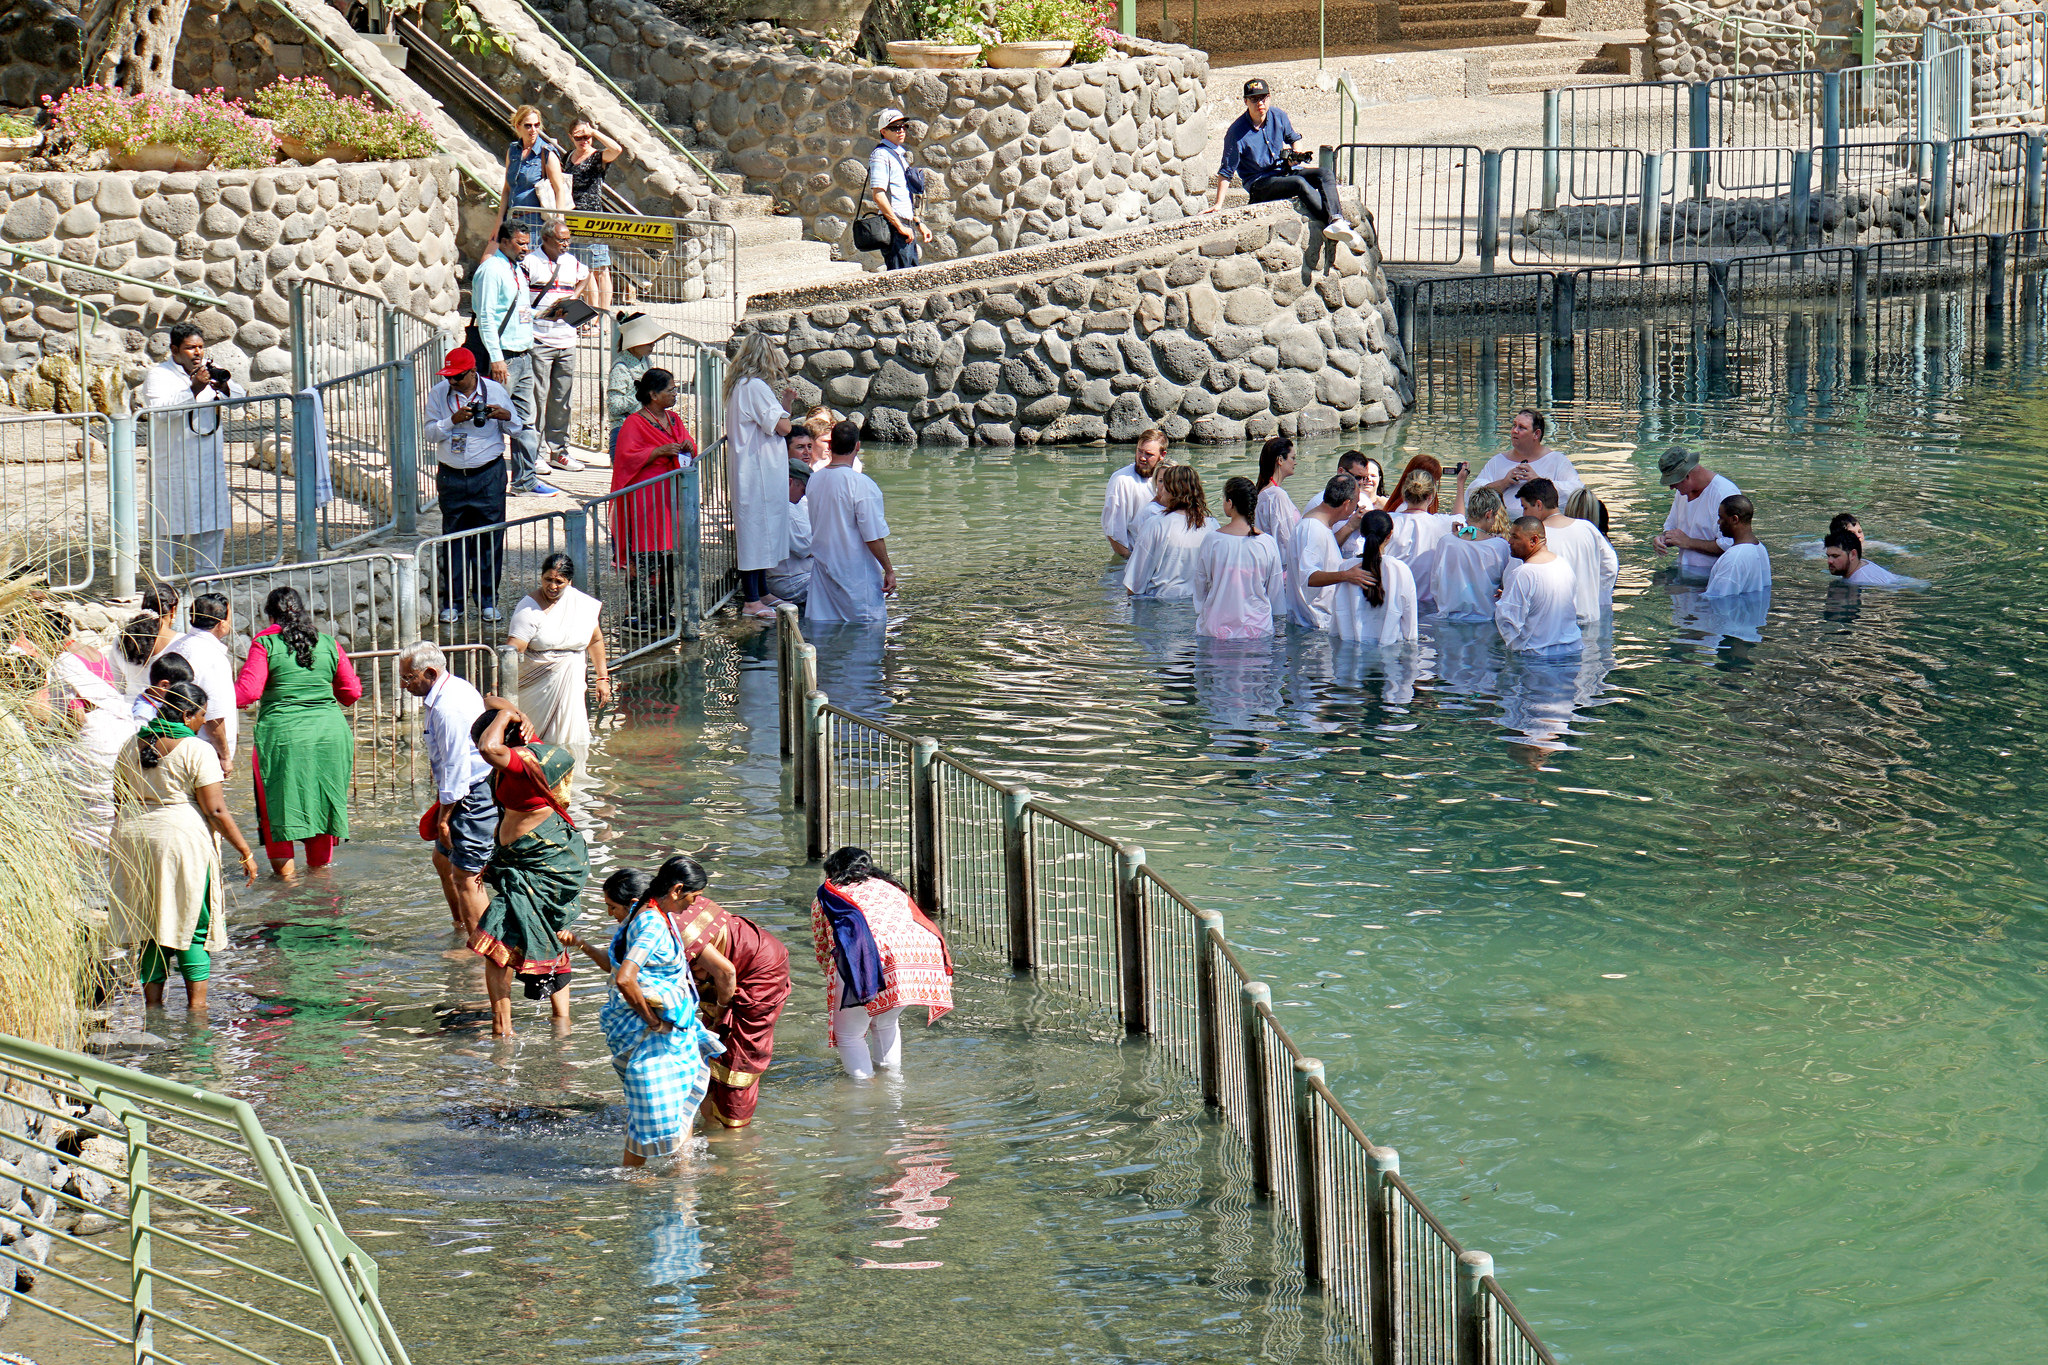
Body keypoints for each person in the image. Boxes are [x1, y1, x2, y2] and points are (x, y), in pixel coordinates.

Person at [569, 859, 793, 1130]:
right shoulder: (642, 918)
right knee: (704, 1055)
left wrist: (720, 1014)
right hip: (714, 986)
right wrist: (581, 944)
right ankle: (708, 1125)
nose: (608, 915)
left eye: (612, 907)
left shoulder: (660, 923)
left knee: (736, 1055)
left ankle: (734, 1136)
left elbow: (726, 973)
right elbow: (619, 966)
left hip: (756, 975)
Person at [109, 679, 258, 1013]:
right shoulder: (197, 749)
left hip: (131, 839)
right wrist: (245, 851)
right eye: (201, 716)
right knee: (192, 922)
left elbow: (119, 800)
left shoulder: (131, 744)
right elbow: (216, 810)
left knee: (150, 923)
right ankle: (197, 1012)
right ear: (187, 713)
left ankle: (153, 1009)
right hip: (180, 842)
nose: (202, 723)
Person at [469, 703, 588, 1037]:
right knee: (547, 932)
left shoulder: (523, 762)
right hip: (527, 862)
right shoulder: (527, 747)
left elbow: (488, 747)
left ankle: (501, 1026)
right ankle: (561, 1021)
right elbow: (492, 697)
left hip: (542, 867)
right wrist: (515, 713)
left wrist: (507, 716)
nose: (482, 756)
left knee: (496, 944)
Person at [232, 587, 361, 879]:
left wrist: (208, 695)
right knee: (322, 805)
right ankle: (322, 887)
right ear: (303, 612)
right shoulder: (329, 643)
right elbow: (351, 693)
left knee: (277, 807)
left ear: (269, 615)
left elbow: (247, 693)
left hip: (283, 738)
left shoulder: (265, 644)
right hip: (330, 737)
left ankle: (287, 889)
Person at [811, 846, 953, 1080]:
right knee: (886, 1023)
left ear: (834, 871)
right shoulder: (891, 887)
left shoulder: (830, 892)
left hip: (867, 954)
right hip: (918, 955)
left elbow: (824, 947)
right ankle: (892, 1086)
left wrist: (836, 983)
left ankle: (862, 1096)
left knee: (849, 1035)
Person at [1204, 77, 1369, 252]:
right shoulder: (1236, 132)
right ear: (1246, 101)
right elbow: (1226, 171)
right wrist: (1218, 204)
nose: (1260, 103)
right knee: (1299, 184)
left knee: (1325, 174)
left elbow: (1294, 139)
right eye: (1254, 99)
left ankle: (1337, 221)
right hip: (1259, 183)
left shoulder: (1278, 116)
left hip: (1284, 171)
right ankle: (1334, 223)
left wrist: (1296, 157)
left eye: (1263, 97)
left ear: (1269, 98)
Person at [399, 642, 493, 935]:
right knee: (442, 860)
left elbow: (455, 766)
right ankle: (461, 926)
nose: (404, 686)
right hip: (463, 791)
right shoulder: (454, 689)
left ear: (429, 672)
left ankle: (481, 946)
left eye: (408, 678)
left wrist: (443, 818)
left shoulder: (447, 707)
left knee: (467, 875)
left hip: (473, 793)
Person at [424, 346, 522, 623]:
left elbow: (517, 428)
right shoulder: (438, 393)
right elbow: (430, 433)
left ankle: (488, 601)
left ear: (472, 372)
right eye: (448, 377)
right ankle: (453, 604)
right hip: (452, 475)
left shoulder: (495, 390)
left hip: (488, 474)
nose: (451, 382)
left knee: (489, 539)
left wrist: (505, 416)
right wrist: (451, 421)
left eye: (457, 377)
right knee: (453, 539)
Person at [141, 322, 240, 576]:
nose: (197, 353)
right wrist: (194, 388)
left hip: (208, 465)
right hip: (174, 466)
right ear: (174, 349)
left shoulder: (209, 372)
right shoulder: (159, 375)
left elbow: (240, 398)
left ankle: (207, 590)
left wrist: (223, 387)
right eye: (190, 348)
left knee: (211, 526)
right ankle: (163, 591)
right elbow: (159, 412)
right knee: (168, 530)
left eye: (200, 347)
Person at [472, 220, 555, 499]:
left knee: (524, 421)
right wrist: (496, 360)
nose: (526, 248)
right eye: (520, 243)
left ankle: (525, 480)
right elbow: (485, 317)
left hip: (523, 354)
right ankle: (484, 479)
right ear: (504, 241)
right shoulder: (491, 270)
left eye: (527, 243)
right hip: (503, 358)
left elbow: (520, 311)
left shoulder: (516, 269)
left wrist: (545, 317)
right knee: (491, 418)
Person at [612, 367, 696, 631]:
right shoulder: (634, 423)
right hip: (645, 499)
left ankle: (662, 611)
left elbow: (689, 443)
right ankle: (635, 615)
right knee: (645, 557)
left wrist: (688, 447)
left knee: (669, 558)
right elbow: (625, 457)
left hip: (669, 499)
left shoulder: (674, 420)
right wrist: (658, 451)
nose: (674, 394)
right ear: (653, 394)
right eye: (670, 389)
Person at [724, 332, 796, 620]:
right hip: (758, 471)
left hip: (754, 468)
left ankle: (762, 590)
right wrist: (786, 407)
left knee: (759, 530)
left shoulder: (739, 387)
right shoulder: (754, 387)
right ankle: (752, 599)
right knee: (755, 532)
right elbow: (784, 428)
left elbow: (775, 421)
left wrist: (784, 405)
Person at [507, 552, 610, 752]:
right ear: (541, 577)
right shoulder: (528, 609)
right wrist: (499, 685)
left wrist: (602, 679)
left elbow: (595, 639)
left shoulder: (580, 604)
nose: (552, 586)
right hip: (536, 689)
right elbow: (512, 649)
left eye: (559, 582)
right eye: (548, 580)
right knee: (532, 745)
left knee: (572, 745)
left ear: (569, 582)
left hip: (570, 685)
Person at [523, 218, 595, 477]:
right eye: (561, 239)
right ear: (545, 240)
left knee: (562, 399)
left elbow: (586, 274)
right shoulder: (530, 263)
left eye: (568, 239)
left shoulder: (571, 262)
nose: (566, 244)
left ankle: (558, 451)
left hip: (566, 339)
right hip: (539, 339)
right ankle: (537, 453)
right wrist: (537, 316)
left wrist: (575, 295)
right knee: (538, 399)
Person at [806, 422, 895, 625]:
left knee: (825, 638)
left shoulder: (814, 480)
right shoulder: (862, 485)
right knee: (866, 637)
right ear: (857, 446)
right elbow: (872, 536)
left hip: (823, 573)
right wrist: (889, 570)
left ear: (830, 445)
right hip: (855, 576)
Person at [1193, 476, 1286, 639]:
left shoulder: (1212, 540)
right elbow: (1275, 593)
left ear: (1230, 503)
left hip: (1216, 630)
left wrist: (1203, 611)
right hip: (1258, 631)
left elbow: (1201, 585)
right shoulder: (1267, 543)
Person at [1519, 477, 1616, 629]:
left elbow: (1520, 580)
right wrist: (1589, 592)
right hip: (1589, 617)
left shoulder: (1532, 538)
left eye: (1524, 507)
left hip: (1552, 625)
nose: (1524, 515)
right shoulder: (1588, 528)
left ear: (1538, 505)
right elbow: (1610, 567)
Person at [1287, 473, 1372, 630]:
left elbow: (1326, 563)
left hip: (1315, 623)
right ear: (1346, 504)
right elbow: (1309, 577)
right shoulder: (1313, 529)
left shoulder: (1317, 525)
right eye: (1356, 503)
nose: (1356, 508)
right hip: (1313, 625)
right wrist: (1347, 576)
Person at [1124, 466, 1218, 600]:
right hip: (1198, 607)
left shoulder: (1155, 525)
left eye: (1165, 485)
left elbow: (1134, 582)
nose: (1160, 489)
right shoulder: (1212, 525)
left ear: (1174, 491)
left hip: (1161, 606)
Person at [1473, 409, 1585, 521]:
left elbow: (1577, 492)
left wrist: (1538, 482)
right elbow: (1472, 495)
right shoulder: (1497, 461)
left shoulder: (1557, 460)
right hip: (1503, 524)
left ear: (1536, 434)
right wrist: (1504, 483)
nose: (1514, 431)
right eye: (1514, 425)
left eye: (1521, 427)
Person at [1330, 509, 1419, 645]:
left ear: (1361, 532)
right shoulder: (1400, 569)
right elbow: (1410, 627)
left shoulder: (1347, 568)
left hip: (1350, 651)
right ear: (1389, 535)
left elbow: (1337, 621)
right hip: (1390, 654)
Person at [169, 592, 237, 769]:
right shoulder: (212, 656)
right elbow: (214, 716)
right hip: (204, 752)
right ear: (221, 624)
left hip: (176, 743)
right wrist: (225, 756)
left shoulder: (177, 645)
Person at [1495, 518, 1583, 654]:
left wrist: (1505, 600)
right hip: (1572, 650)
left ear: (1534, 540)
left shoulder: (1523, 573)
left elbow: (1508, 622)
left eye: (1515, 537)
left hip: (1537, 655)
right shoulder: (1563, 564)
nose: (1509, 541)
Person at [1653, 447, 1740, 581]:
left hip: (1714, 579)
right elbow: (1671, 529)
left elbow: (1732, 545)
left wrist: (1688, 542)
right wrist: (1663, 540)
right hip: (1683, 575)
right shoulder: (1681, 492)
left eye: (1673, 482)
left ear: (1687, 476)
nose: (1671, 488)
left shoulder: (1724, 493)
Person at [490, 104, 571, 241]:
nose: (533, 130)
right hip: (510, 220)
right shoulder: (513, 150)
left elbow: (559, 190)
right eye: (528, 125)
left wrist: (559, 223)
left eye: (536, 125)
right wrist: (498, 223)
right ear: (518, 126)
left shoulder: (546, 153)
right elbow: (507, 189)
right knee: (490, 259)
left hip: (534, 223)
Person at [565, 119, 623, 308]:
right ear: (571, 137)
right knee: (584, 270)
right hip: (573, 220)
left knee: (600, 268)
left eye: (587, 137)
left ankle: (603, 316)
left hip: (593, 220)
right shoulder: (567, 157)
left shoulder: (597, 157)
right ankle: (592, 315)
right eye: (579, 137)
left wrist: (595, 132)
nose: (584, 141)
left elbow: (616, 150)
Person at [1433, 485, 1512, 623]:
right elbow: (1506, 587)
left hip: (1449, 619)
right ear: (1489, 515)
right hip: (1485, 620)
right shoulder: (1500, 546)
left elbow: (1436, 582)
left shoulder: (1446, 541)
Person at [867, 108, 932, 271]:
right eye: (895, 127)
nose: (901, 130)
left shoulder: (898, 155)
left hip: (905, 226)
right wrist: (899, 227)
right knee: (902, 282)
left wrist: (918, 223)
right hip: (895, 228)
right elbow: (878, 195)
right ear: (883, 131)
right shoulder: (881, 155)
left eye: (903, 126)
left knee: (911, 278)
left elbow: (903, 196)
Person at [607, 313, 681, 451]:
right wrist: (642, 394)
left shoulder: (646, 362)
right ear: (634, 342)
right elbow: (614, 407)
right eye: (648, 341)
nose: (653, 344)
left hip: (645, 428)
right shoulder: (620, 368)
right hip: (624, 432)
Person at [1387, 466, 1456, 590]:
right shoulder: (1443, 523)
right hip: (1429, 604)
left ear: (1404, 493)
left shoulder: (1387, 520)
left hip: (1394, 598)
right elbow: (1460, 517)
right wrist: (1460, 483)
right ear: (1431, 496)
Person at [1102, 430, 1169, 558]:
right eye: (1139, 451)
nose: (1142, 458)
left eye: (1149, 454)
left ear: (1162, 455)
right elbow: (1113, 532)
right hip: (1135, 557)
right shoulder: (1121, 480)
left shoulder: (1171, 478)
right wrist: (1132, 563)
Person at [767, 458, 813, 608]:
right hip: (791, 582)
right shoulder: (784, 508)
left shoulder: (789, 504)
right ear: (789, 482)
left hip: (796, 576)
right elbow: (809, 547)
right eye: (803, 490)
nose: (804, 495)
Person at [1704, 495, 1771, 597]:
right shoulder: (1760, 548)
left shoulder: (1733, 559)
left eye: (1721, 517)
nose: (1718, 522)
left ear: (1735, 519)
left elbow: (1719, 601)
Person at [1824, 530, 1923, 587]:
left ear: (1853, 555)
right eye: (1828, 556)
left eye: (1835, 556)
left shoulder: (1863, 581)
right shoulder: (1862, 564)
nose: (1829, 561)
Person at [1254, 436, 1301, 553]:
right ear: (1280, 460)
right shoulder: (1277, 495)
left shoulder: (1264, 492)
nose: (1295, 462)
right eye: (1292, 458)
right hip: (1283, 566)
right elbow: (1285, 538)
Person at [1304, 450, 1384, 516]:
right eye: (1357, 477)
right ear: (1341, 471)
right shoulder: (1319, 503)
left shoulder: (1365, 501)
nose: (1361, 482)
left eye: (1364, 478)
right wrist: (1351, 525)